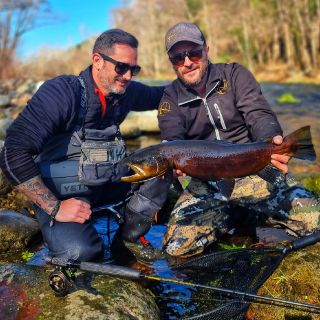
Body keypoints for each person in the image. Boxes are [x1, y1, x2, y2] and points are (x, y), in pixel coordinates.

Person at [0, 29, 170, 263]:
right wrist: (55, 208)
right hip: (62, 194)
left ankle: (128, 239)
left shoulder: (126, 92)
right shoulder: (61, 93)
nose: (129, 76)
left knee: (162, 165)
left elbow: (164, 95)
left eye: (134, 69)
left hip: (107, 182)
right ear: (97, 61)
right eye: (121, 67)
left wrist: (200, 76)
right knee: (82, 254)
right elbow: (12, 153)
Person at [157, 22, 320, 257]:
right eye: (177, 57)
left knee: (315, 221)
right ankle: (237, 217)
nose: (187, 62)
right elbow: (171, 140)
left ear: (206, 49)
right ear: (171, 61)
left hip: (254, 170)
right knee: (177, 248)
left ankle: (250, 219)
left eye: (193, 52)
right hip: (207, 183)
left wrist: (271, 142)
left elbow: (258, 113)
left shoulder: (234, 75)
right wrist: (174, 166)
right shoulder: (170, 98)